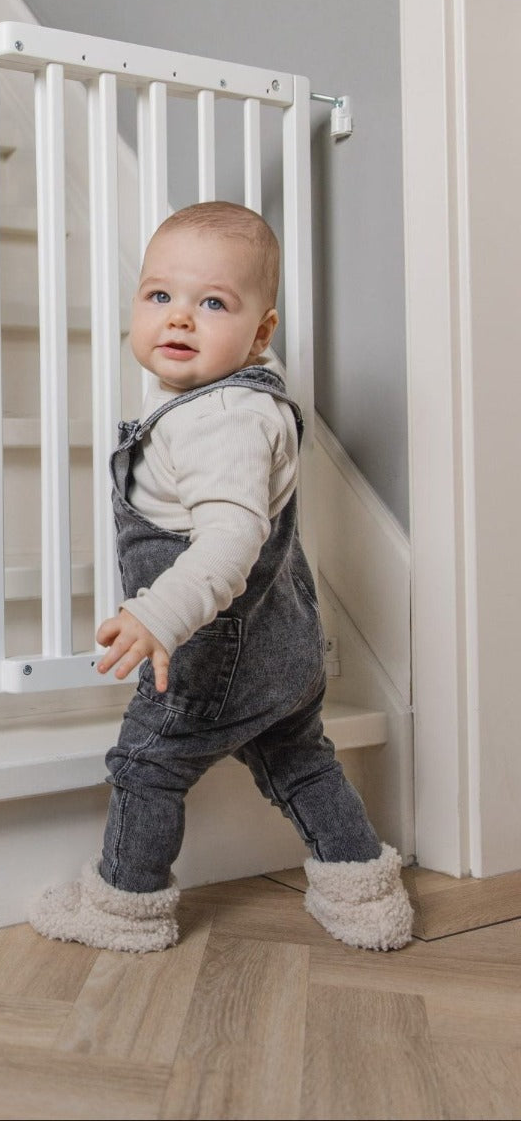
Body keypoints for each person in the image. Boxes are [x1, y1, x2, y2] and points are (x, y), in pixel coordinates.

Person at [30, 200, 412, 954]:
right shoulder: (236, 402)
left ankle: (124, 908)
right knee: (300, 762)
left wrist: (159, 613)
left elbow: (233, 536)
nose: (178, 319)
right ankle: (363, 891)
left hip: (211, 652)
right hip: (287, 644)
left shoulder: (220, 418)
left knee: (146, 765)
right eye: (159, 296)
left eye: (212, 303)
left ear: (261, 331)